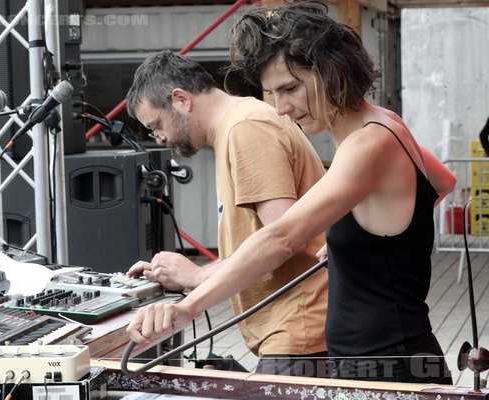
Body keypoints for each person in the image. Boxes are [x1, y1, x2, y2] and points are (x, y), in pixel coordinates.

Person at [126, 2, 457, 385]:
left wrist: (188, 308)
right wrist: (367, 239)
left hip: (388, 369)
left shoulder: (368, 144)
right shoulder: (387, 124)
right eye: (272, 93)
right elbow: (441, 180)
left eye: (290, 88)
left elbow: (281, 237)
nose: (281, 108)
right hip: (381, 360)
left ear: (332, 72)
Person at [125, 50, 329, 376]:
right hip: (291, 334)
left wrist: (198, 279)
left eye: (156, 125)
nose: (159, 139)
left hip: (300, 331)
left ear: (181, 99)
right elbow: (262, 241)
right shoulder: (238, 127)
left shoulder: (246, 128)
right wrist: (192, 274)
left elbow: (284, 239)